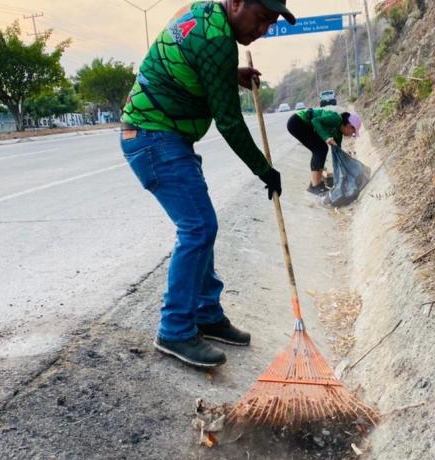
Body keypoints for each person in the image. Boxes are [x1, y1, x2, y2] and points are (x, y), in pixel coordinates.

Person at [119, 0, 296, 368]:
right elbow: (230, 123)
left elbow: (187, 56)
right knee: (198, 227)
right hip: (153, 137)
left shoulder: (203, 13)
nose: (263, 29)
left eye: (271, 23)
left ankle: (206, 315)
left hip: (164, 137)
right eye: (261, 18)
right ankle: (175, 330)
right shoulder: (218, 41)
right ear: (236, 3)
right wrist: (266, 171)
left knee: (202, 222)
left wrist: (229, 74)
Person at [286, 108, 362, 194]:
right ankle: (315, 186)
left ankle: (316, 183)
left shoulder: (338, 133)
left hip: (303, 124)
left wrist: (345, 169)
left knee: (321, 149)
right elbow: (315, 121)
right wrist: (326, 137)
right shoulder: (336, 119)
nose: (352, 135)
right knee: (320, 149)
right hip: (297, 121)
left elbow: (338, 153)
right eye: (353, 132)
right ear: (348, 125)